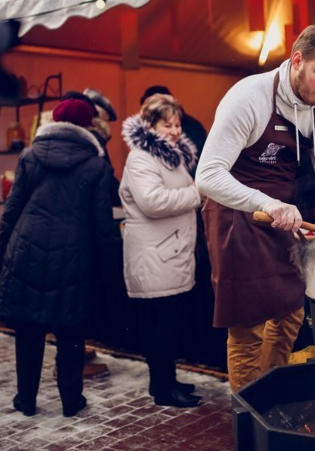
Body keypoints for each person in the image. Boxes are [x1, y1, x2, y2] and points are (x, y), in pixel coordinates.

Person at [196, 24, 315, 391]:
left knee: (290, 314)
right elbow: (206, 176)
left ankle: (269, 393)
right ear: (297, 60)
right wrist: (266, 202)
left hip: (280, 214)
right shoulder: (248, 98)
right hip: (234, 211)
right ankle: (247, 416)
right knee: (248, 327)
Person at [0, 98, 114, 418]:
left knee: (29, 330)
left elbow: (12, 208)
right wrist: (109, 268)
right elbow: (102, 224)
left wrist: (2, 249)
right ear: (88, 125)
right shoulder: (96, 164)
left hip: (27, 248)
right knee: (70, 332)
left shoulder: (30, 155)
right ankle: (71, 401)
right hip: (74, 256)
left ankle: (26, 400)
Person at [119, 94, 202, 407]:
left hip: (169, 254)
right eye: (168, 124)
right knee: (161, 326)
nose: (176, 130)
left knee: (168, 325)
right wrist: (196, 193)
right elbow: (153, 202)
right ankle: (164, 388)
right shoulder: (141, 158)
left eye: (178, 123)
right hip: (154, 256)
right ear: (150, 126)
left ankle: (165, 381)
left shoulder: (169, 156)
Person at [140, 85, 208, 175]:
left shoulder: (192, 129)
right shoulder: (141, 157)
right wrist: (193, 187)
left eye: (177, 125)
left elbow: (198, 164)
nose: (175, 132)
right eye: (167, 126)